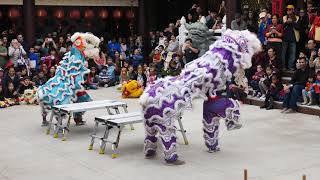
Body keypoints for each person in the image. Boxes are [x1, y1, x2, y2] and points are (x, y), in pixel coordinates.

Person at [282, 5, 300, 71]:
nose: (288, 11)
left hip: (293, 38)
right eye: (287, 10)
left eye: (290, 9)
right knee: (283, 53)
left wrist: (292, 22)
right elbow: (281, 27)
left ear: (293, 10)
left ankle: (290, 66)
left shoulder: (297, 17)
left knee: (292, 54)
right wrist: (286, 22)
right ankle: (283, 66)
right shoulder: (284, 17)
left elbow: (298, 27)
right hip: (285, 38)